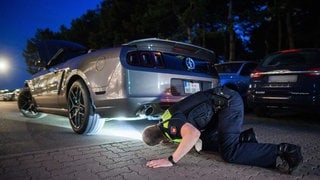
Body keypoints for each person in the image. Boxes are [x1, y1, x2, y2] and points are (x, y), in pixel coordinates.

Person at [142, 86, 303, 174]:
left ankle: (287, 151)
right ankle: (245, 140)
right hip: (222, 102)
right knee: (205, 143)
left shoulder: (172, 126)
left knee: (229, 153)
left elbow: (193, 134)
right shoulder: (165, 119)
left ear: (162, 140)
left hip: (228, 103)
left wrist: (170, 160)